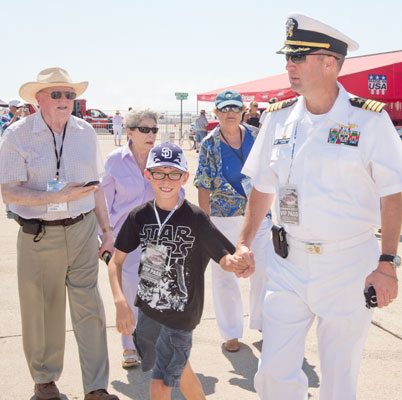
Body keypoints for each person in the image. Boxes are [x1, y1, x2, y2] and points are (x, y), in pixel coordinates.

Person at [236, 13, 402, 399]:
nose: (288, 65)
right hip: (287, 262)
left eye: (298, 57)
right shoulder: (278, 119)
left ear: (330, 63)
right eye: (288, 57)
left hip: (348, 265)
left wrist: (387, 264)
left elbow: (392, 194)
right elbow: (262, 186)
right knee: (273, 373)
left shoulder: (368, 121)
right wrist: (244, 241)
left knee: (338, 378)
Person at [0, 67, 119, 400]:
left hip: (82, 230)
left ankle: (96, 388)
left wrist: (107, 230)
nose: (66, 100)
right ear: (39, 100)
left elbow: (95, 187)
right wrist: (55, 197)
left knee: (90, 309)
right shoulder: (16, 135)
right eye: (57, 94)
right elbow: (9, 192)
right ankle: (45, 382)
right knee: (43, 311)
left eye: (70, 94)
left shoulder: (85, 132)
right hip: (40, 235)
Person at [107, 142, 251, 400]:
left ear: (185, 177)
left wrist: (237, 262)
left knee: (160, 385)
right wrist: (120, 301)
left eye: (173, 173)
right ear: (147, 175)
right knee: (181, 370)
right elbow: (115, 262)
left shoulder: (195, 217)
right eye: (159, 173)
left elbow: (224, 257)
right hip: (148, 309)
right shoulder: (138, 216)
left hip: (180, 314)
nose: (166, 180)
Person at [194, 89, 271, 352]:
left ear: (243, 111)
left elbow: (270, 174)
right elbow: (203, 186)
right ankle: (231, 332)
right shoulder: (209, 143)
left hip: (259, 215)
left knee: (263, 271)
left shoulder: (256, 136)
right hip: (223, 218)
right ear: (216, 113)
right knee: (225, 275)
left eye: (235, 108)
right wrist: (205, 226)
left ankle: (262, 322)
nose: (230, 113)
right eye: (224, 109)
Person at [101, 108, 158, 369]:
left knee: (154, 291)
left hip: (157, 237)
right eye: (144, 129)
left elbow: (175, 192)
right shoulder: (115, 160)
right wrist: (105, 238)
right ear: (130, 132)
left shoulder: (161, 159)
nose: (150, 135)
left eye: (154, 130)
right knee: (131, 291)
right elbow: (103, 203)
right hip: (125, 239)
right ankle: (129, 347)